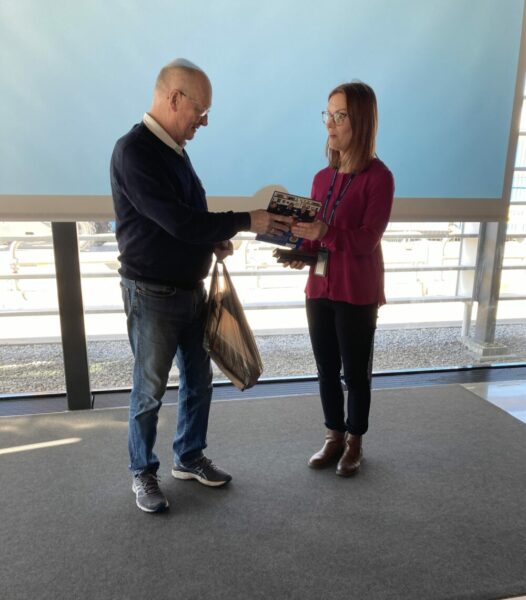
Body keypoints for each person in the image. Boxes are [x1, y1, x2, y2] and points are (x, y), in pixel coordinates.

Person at [110, 58, 292, 513]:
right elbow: (176, 221)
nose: (204, 122)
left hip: (191, 288)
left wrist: (213, 241)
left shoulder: (174, 149)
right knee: (149, 391)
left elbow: (187, 218)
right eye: (201, 110)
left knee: (199, 381)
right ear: (175, 99)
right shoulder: (134, 152)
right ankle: (143, 472)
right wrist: (247, 220)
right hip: (151, 293)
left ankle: (189, 457)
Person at [284, 81, 394, 477]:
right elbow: (318, 239)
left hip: (356, 290)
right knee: (326, 368)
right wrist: (300, 252)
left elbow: (366, 240)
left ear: (360, 121)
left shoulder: (379, 178)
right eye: (328, 115)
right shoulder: (321, 178)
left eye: (340, 116)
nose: (330, 123)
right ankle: (333, 435)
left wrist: (324, 233)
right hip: (319, 287)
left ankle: (354, 442)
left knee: (355, 373)